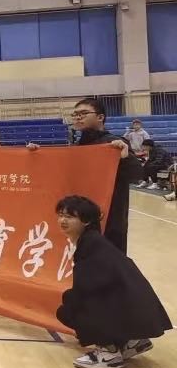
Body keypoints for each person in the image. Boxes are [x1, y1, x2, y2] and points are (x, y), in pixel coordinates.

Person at [54, 195, 171, 368]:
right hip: (140, 309)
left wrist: (71, 302)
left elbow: (88, 289)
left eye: (70, 217)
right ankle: (132, 341)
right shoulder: (93, 241)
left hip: (133, 310)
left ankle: (108, 353)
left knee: (70, 308)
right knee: (80, 299)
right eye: (61, 215)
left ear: (86, 221)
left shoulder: (91, 245)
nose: (63, 220)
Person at [29, 98, 141, 254]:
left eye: (83, 113)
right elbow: (60, 174)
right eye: (75, 114)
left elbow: (136, 175)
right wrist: (38, 156)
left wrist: (125, 157)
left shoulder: (115, 144)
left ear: (100, 117)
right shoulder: (77, 148)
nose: (78, 117)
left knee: (108, 260)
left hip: (109, 218)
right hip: (80, 218)